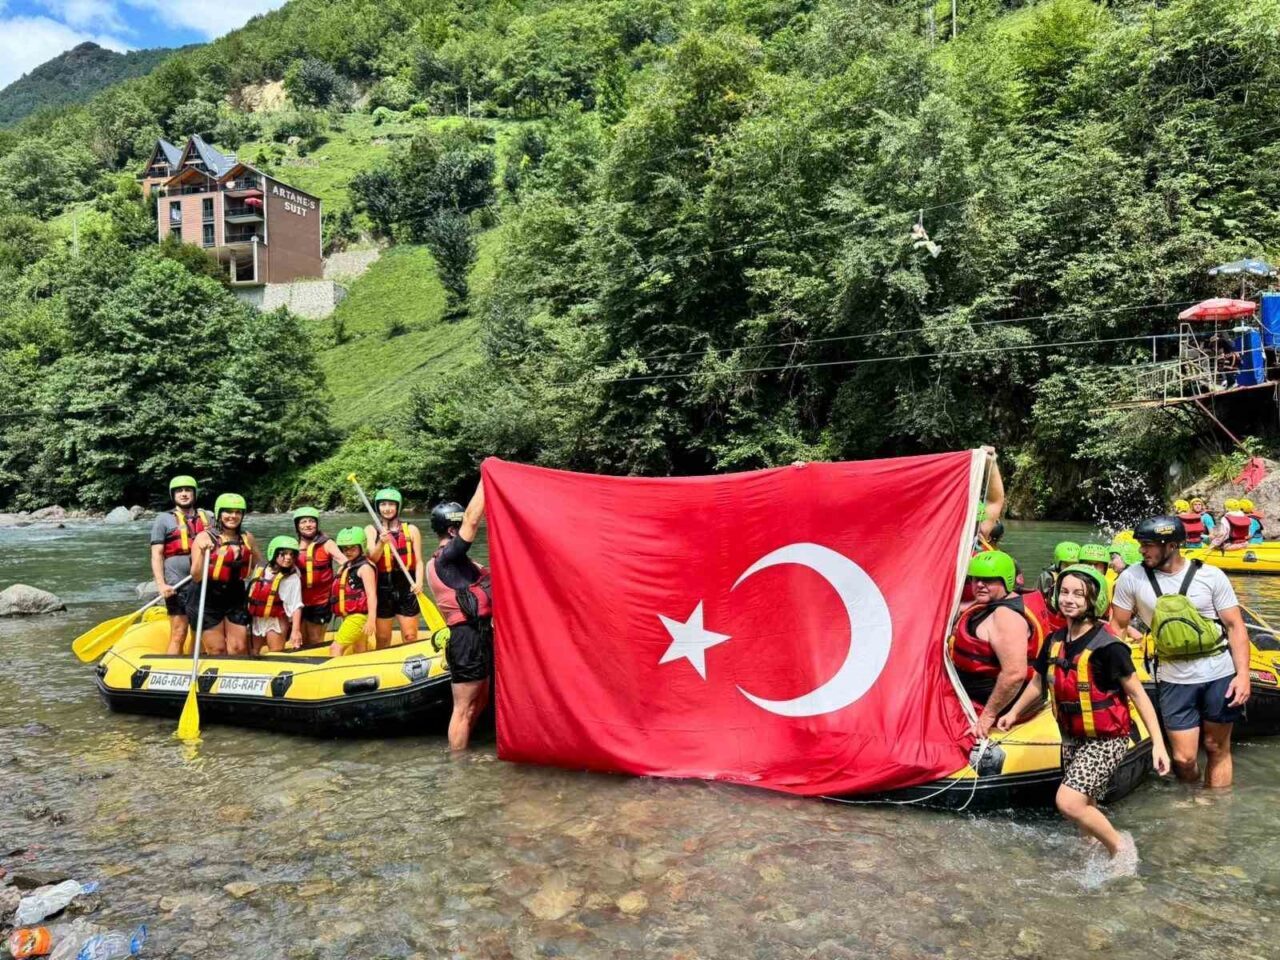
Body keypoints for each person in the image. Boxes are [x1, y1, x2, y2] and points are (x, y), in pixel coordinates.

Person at [999, 565, 1169, 864]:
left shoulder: (1109, 647)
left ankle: (1121, 848)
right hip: (1072, 735)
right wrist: (1013, 713)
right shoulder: (1054, 641)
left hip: (1107, 739)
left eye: (1079, 594)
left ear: (1094, 600)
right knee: (1085, 800)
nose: (1069, 599)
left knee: (1069, 802)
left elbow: (1138, 695)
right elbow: (1038, 683)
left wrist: (1158, 744)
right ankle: (1090, 847)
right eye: (1064, 592)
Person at [1111, 515, 1250, 787]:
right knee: (1184, 759)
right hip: (1173, 675)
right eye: (1141, 544)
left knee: (1216, 747)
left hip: (1218, 672)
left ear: (1172, 545)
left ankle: (1214, 806)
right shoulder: (1131, 578)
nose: (1142, 550)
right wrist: (1116, 677)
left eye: (1148, 544)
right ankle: (1192, 797)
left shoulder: (1211, 576)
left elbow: (1235, 626)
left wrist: (1243, 674)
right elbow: (1118, 627)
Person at [949, 550, 1045, 737]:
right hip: (978, 693)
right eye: (975, 579)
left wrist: (987, 717)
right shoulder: (1002, 600)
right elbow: (968, 608)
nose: (979, 585)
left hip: (995, 705)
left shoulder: (1005, 617)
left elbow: (1014, 674)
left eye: (988, 580)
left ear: (1006, 581)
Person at [427, 483, 492, 751]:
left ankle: (465, 751)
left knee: (482, 699)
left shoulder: (465, 564)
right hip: (465, 638)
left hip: (480, 633)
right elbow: (472, 520)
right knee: (463, 707)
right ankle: (457, 761)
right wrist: (486, 479)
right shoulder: (446, 559)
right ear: (453, 530)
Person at [188, 494, 257, 656]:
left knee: (238, 647)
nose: (233, 516)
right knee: (217, 649)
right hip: (208, 595)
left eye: (238, 512)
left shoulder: (247, 538)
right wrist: (203, 553)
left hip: (235, 594)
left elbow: (259, 564)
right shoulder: (204, 537)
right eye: (228, 512)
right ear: (219, 514)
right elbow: (196, 576)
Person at [149, 475, 211, 656]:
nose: (184, 494)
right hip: (177, 583)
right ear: (173, 495)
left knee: (199, 632)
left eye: (188, 490)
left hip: (203, 582)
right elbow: (156, 554)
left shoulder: (208, 518)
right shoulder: (163, 519)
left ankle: (193, 665)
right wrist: (161, 584)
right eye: (179, 491)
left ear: (194, 494)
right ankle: (169, 669)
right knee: (179, 631)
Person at [364, 487, 424, 650]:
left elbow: (419, 561)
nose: (387, 508)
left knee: (410, 636)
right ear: (378, 507)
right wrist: (381, 543)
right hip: (383, 587)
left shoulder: (412, 530)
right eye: (383, 504)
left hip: (407, 585)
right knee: (383, 639)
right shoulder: (371, 530)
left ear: (398, 506)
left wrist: (419, 582)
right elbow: (372, 559)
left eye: (391, 504)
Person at [292, 507, 343, 646]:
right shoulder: (293, 547)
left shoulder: (327, 543)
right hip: (299, 602)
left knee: (315, 639)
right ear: (297, 526)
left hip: (321, 602)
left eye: (311, 521)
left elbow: (345, 562)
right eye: (303, 522)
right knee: (301, 639)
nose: (308, 525)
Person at [247, 536, 304, 653]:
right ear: (273, 553)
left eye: (292, 554)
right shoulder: (260, 568)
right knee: (253, 651)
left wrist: (296, 631)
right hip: (257, 618)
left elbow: (296, 605)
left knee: (276, 651)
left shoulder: (292, 578)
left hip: (276, 620)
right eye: (283, 554)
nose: (288, 558)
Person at [329, 527, 378, 657]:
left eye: (352, 548)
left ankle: (335, 670)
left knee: (335, 648)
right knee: (359, 648)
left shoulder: (365, 568)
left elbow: (371, 595)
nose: (348, 551)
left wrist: (371, 619)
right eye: (345, 548)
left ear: (361, 547)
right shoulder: (345, 566)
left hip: (358, 616)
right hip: (349, 615)